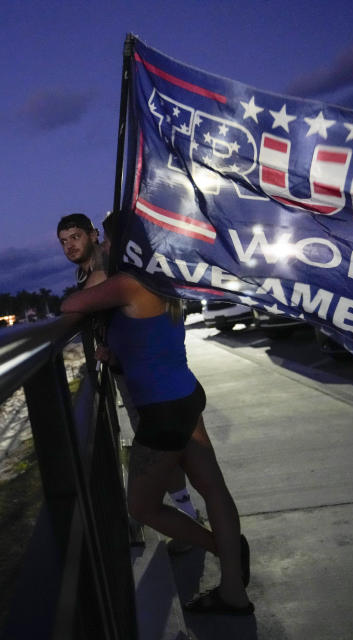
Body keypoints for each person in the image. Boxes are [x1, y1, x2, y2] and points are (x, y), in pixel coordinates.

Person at [60, 211, 253, 615]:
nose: (106, 250)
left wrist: (99, 288)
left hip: (163, 412)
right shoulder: (161, 280)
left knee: (142, 507)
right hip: (184, 394)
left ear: (126, 245)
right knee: (213, 488)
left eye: (110, 243)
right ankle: (233, 587)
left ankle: (223, 548)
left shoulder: (128, 283)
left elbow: (72, 303)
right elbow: (145, 342)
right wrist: (115, 353)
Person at [57, 213, 200, 523]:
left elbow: (79, 305)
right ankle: (201, 521)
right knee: (187, 455)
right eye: (64, 241)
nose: (69, 246)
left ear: (95, 236)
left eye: (76, 237)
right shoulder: (89, 275)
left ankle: (186, 515)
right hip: (143, 372)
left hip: (145, 375)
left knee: (162, 449)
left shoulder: (108, 270)